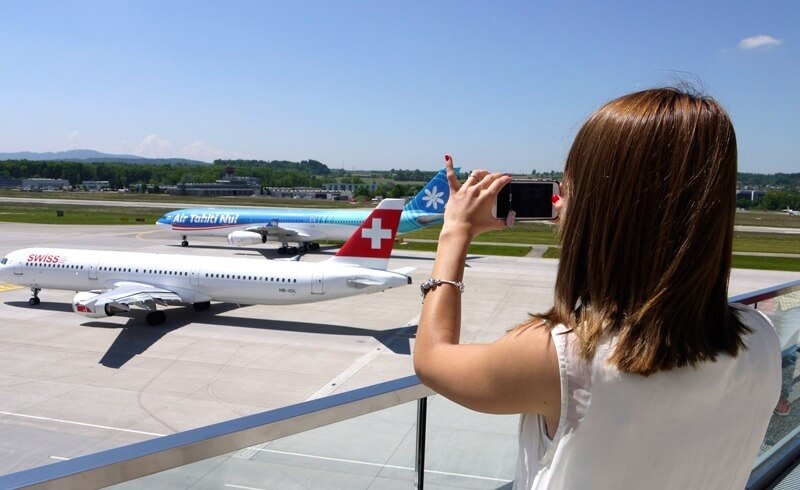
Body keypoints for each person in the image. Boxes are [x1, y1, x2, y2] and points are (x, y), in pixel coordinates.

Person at [413, 87, 781, 489]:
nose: (560, 201)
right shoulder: (762, 337)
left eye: (570, 189)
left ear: (598, 207)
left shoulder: (558, 357)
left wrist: (454, 232)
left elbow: (431, 359)